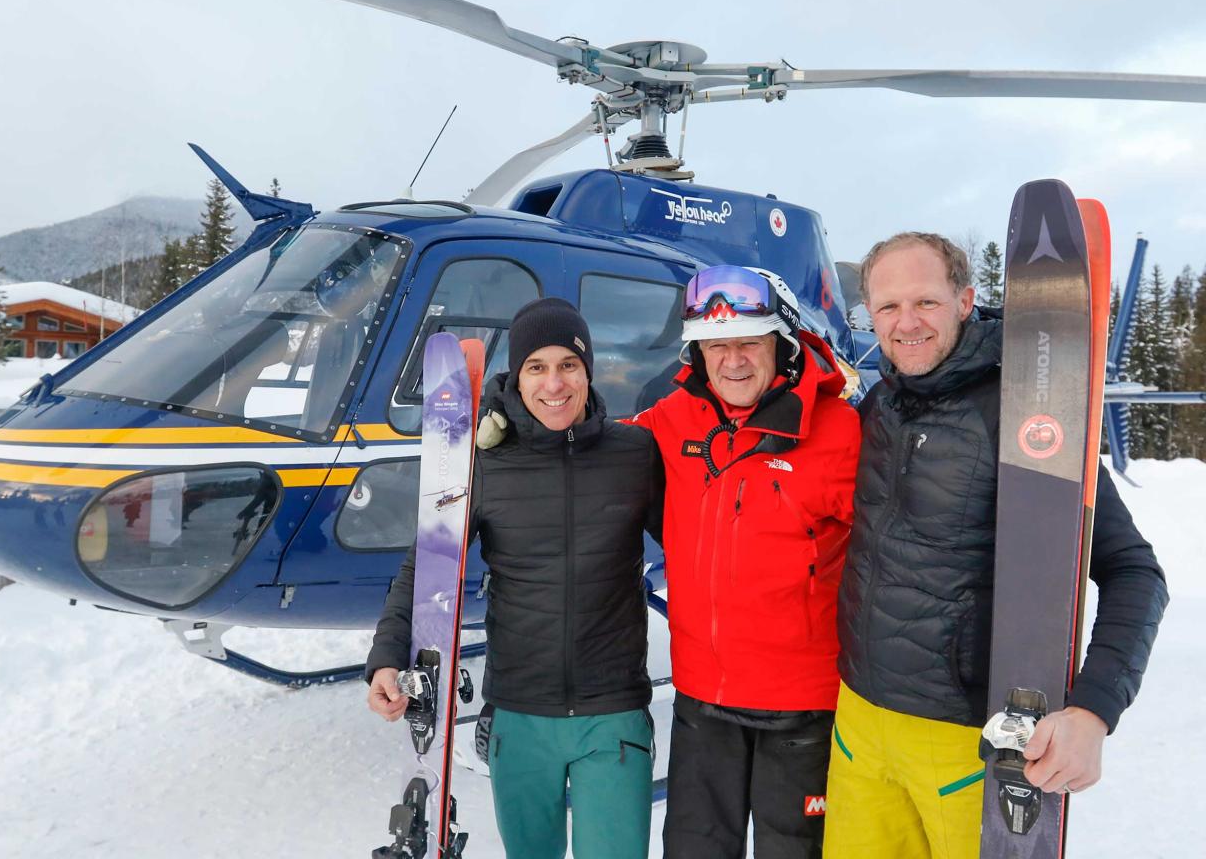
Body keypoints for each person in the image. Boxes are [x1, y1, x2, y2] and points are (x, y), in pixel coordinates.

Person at [824, 232, 1169, 859]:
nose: (906, 324)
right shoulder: (880, 402)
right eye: (887, 307)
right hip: (858, 724)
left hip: (962, 739)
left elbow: (1135, 572)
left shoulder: (1026, 414)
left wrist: (1093, 712)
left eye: (926, 302)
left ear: (965, 299)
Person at [366, 297, 664, 859]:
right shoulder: (483, 464)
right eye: (537, 367)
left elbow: (700, 545)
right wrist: (386, 655)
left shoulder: (635, 455)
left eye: (568, 365)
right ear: (517, 376)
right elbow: (426, 565)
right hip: (520, 718)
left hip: (613, 714)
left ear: (588, 371)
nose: (554, 383)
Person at [631, 265, 861, 859]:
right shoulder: (672, 419)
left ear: (781, 346)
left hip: (803, 708)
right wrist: (523, 423)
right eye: (716, 346)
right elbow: (594, 449)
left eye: (748, 343)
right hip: (703, 699)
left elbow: (903, 550)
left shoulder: (841, 432)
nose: (732, 361)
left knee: (796, 851)